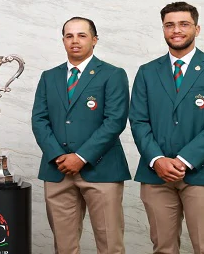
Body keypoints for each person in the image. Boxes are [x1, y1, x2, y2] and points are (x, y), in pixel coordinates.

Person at [130, 2, 204, 254]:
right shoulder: (147, 72)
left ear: (197, 29)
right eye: (169, 25)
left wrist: (184, 160)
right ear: (163, 29)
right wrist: (157, 159)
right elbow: (138, 120)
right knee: (162, 247)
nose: (176, 30)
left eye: (184, 24)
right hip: (156, 173)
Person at [31, 16, 131, 253]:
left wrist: (81, 157)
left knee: (110, 245)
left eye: (82, 35)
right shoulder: (49, 76)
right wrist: (58, 155)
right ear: (63, 40)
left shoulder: (113, 74)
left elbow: (115, 121)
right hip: (58, 170)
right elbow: (39, 119)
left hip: (102, 169)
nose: (75, 41)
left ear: (94, 40)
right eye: (69, 36)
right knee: (64, 246)